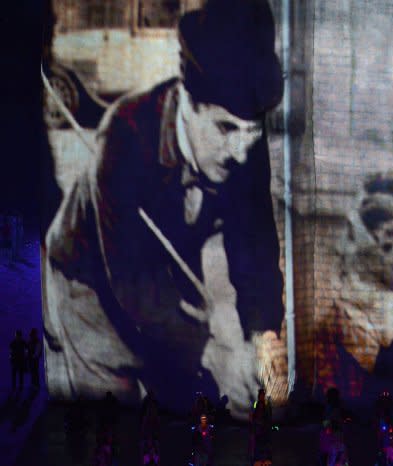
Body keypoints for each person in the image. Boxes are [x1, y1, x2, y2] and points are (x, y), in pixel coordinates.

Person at [42, 0, 286, 414]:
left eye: (252, 131)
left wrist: (262, 337)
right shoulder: (124, 136)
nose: (240, 150)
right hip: (91, 277)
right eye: (226, 128)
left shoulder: (244, 143)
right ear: (187, 104)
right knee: (114, 414)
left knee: (180, 395)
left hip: (161, 262)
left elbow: (256, 244)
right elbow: (131, 281)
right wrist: (211, 353)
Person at [249, 388, 272, 462]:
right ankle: (255, 456)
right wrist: (252, 421)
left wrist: (267, 423)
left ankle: (265, 457)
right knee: (255, 441)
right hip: (257, 425)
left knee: (264, 441)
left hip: (264, 425)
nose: (262, 396)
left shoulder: (266, 403)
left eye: (263, 395)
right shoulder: (256, 403)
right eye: (261, 395)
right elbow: (252, 413)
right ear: (259, 396)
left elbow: (269, 414)